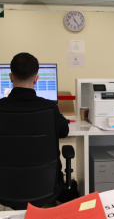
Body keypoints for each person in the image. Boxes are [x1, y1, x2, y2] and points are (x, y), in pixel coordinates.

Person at [0, 52, 69, 181]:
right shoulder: (49, 107)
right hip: (45, 184)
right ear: (36, 79)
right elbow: (64, 131)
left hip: (6, 185)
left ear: (10, 77)